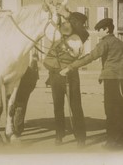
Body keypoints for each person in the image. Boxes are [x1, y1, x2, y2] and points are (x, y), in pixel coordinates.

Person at [60, 18, 123, 150]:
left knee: (111, 110)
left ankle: (112, 142)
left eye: (100, 30)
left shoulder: (105, 43)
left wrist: (70, 67)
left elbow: (90, 57)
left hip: (112, 80)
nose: (98, 33)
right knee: (121, 109)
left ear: (107, 29)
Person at [43, 10, 89, 147]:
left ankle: (81, 138)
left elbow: (78, 26)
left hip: (71, 74)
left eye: (72, 21)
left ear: (79, 23)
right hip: (56, 74)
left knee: (75, 107)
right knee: (58, 107)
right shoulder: (60, 34)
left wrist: (69, 16)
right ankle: (59, 135)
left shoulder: (81, 35)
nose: (68, 23)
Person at [13, 52, 39, 137]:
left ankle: (17, 128)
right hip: (16, 75)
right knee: (14, 102)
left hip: (28, 76)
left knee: (21, 102)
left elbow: (34, 62)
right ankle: (14, 126)